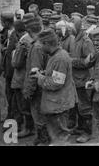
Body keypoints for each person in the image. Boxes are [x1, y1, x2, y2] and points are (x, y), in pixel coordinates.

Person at [32, 29, 76, 145]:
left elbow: (56, 83)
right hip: (56, 103)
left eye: (41, 44)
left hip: (58, 105)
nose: (39, 47)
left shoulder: (59, 58)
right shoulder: (56, 55)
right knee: (56, 136)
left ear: (47, 44)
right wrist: (44, 73)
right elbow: (56, 75)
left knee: (60, 138)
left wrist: (39, 77)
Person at [22, 16, 51, 145]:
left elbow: (35, 71)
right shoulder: (45, 42)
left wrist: (29, 91)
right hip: (45, 85)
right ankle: (42, 138)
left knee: (39, 115)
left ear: (28, 31)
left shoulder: (37, 47)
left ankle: (44, 140)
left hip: (39, 88)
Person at [70, 16, 95, 143]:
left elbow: (89, 62)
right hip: (76, 79)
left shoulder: (86, 42)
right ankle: (80, 127)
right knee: (78, 105)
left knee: (85, 107)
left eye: (72, 25)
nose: (70, 27)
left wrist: (72, 61)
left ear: (78, 27)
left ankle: (87, 132)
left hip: (84, 80)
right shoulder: (75, 39)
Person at [10, 17, 34, 138]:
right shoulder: (33, 38)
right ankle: (32, 127)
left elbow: (16, 63)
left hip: (21, 77)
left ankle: (28, 128)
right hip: (30, 76)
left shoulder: (23, 41)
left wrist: (14, 53)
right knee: (30, 103)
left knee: (23, 105)